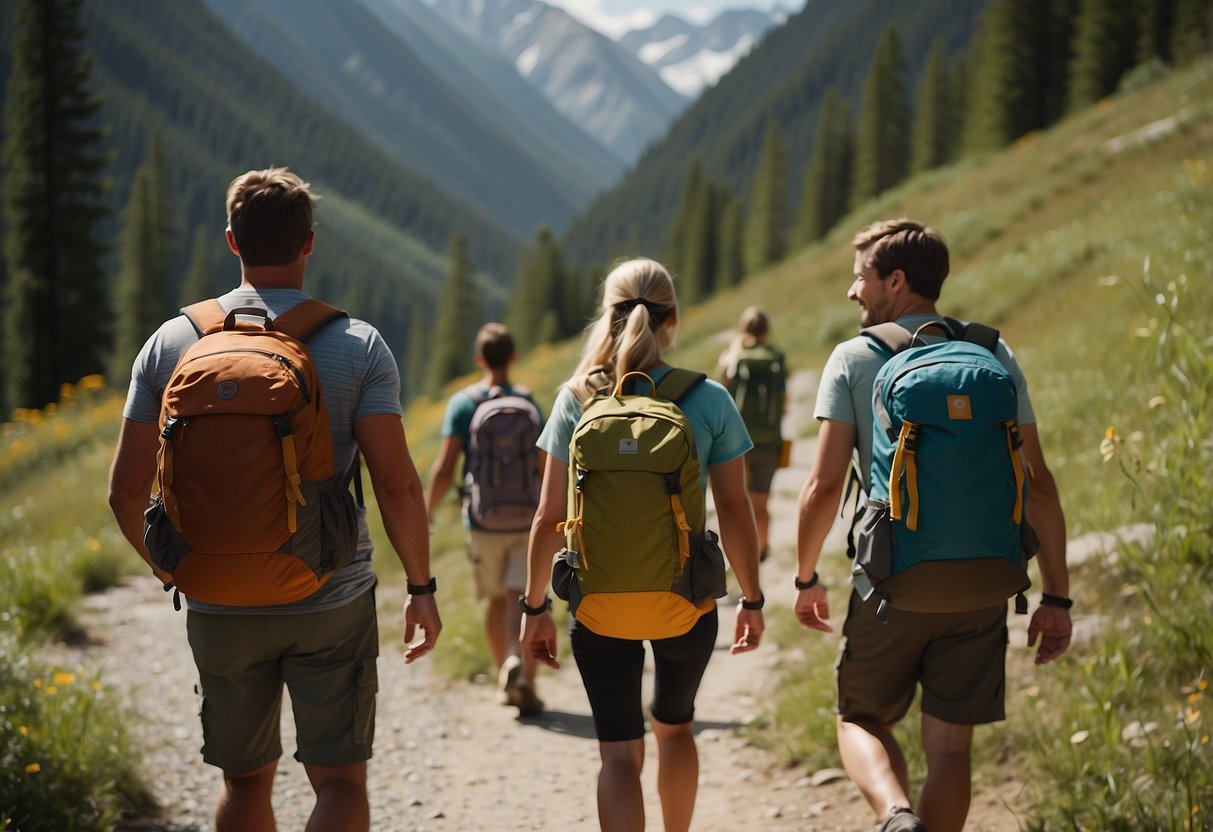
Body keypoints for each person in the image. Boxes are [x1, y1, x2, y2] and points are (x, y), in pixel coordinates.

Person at [108, 167, 441, 832]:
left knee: (243, 781)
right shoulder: (357, 345)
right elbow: (396, 483)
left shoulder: (171, 343)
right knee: (340, 782)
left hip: (218, 598)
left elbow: (123, 492)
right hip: (331, 592)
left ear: (232, 240)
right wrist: (420, 586)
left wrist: (178, 569)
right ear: (308, 243)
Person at [792, 219, 1072, 832]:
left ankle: (895, 817)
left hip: (892, 582)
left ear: (895, 281)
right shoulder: (992, 354)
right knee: (950, 748)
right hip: (984, 579)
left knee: (860, 718)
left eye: (861, 277)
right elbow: (1039, 483)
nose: (852, 291)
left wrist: (805, 577)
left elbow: (819, 489)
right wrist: (1055, 595)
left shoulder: (855, 357)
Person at [521, 257, 765, 832]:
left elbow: (549, 516)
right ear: (672, 320)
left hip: (599, 606)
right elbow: (735, 509)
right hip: (686, 603)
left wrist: (535, 610)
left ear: (607, 317)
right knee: (675, 728)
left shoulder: (575, 399)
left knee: (618, 755)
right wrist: (751, 599)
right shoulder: (708, 399)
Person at [425, 322, 545, 716]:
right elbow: (544, 465)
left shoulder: (463, 404)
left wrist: (427, 511)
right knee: (523, 598)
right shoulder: (529, 402)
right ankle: (525, 673)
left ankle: (504, 671)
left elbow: (445, 468)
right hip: (527, 518)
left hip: (483, 521)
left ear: (479, 359)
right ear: (513, 357)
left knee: (496, 599)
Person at [717, 306, 787, 563]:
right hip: (769, 442)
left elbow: (721, 398)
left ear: (742, 328)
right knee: (761, 503)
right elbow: (783, 400)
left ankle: (738, 555)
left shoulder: (731, 358)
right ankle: (761, 550)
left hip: (737, 443)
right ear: (766, 330)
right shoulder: (777, 359)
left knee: (735, 503)